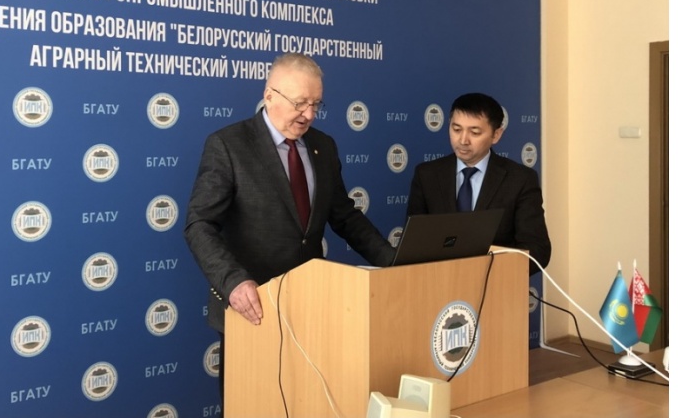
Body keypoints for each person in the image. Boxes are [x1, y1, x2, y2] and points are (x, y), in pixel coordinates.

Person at [184, 52, 395, 405]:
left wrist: (394, 262)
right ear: (269, 95)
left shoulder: (323, 146)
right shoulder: (228, 145)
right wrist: (233, 282)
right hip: (253, 309)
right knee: (250, 407)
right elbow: (199, 224)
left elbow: (344, 217)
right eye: (300, 103)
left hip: (309, 307)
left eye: (316, 104)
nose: (309, 114)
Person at [406, 92, 551, 273]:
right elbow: (414, 245)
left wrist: (485, 270)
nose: (463, 140)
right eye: (456, 129)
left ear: (496, 135)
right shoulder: (427, 175)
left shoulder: (520, 179)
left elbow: (537, 250)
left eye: (474, 132)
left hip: (497, 283)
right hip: (438, 283)